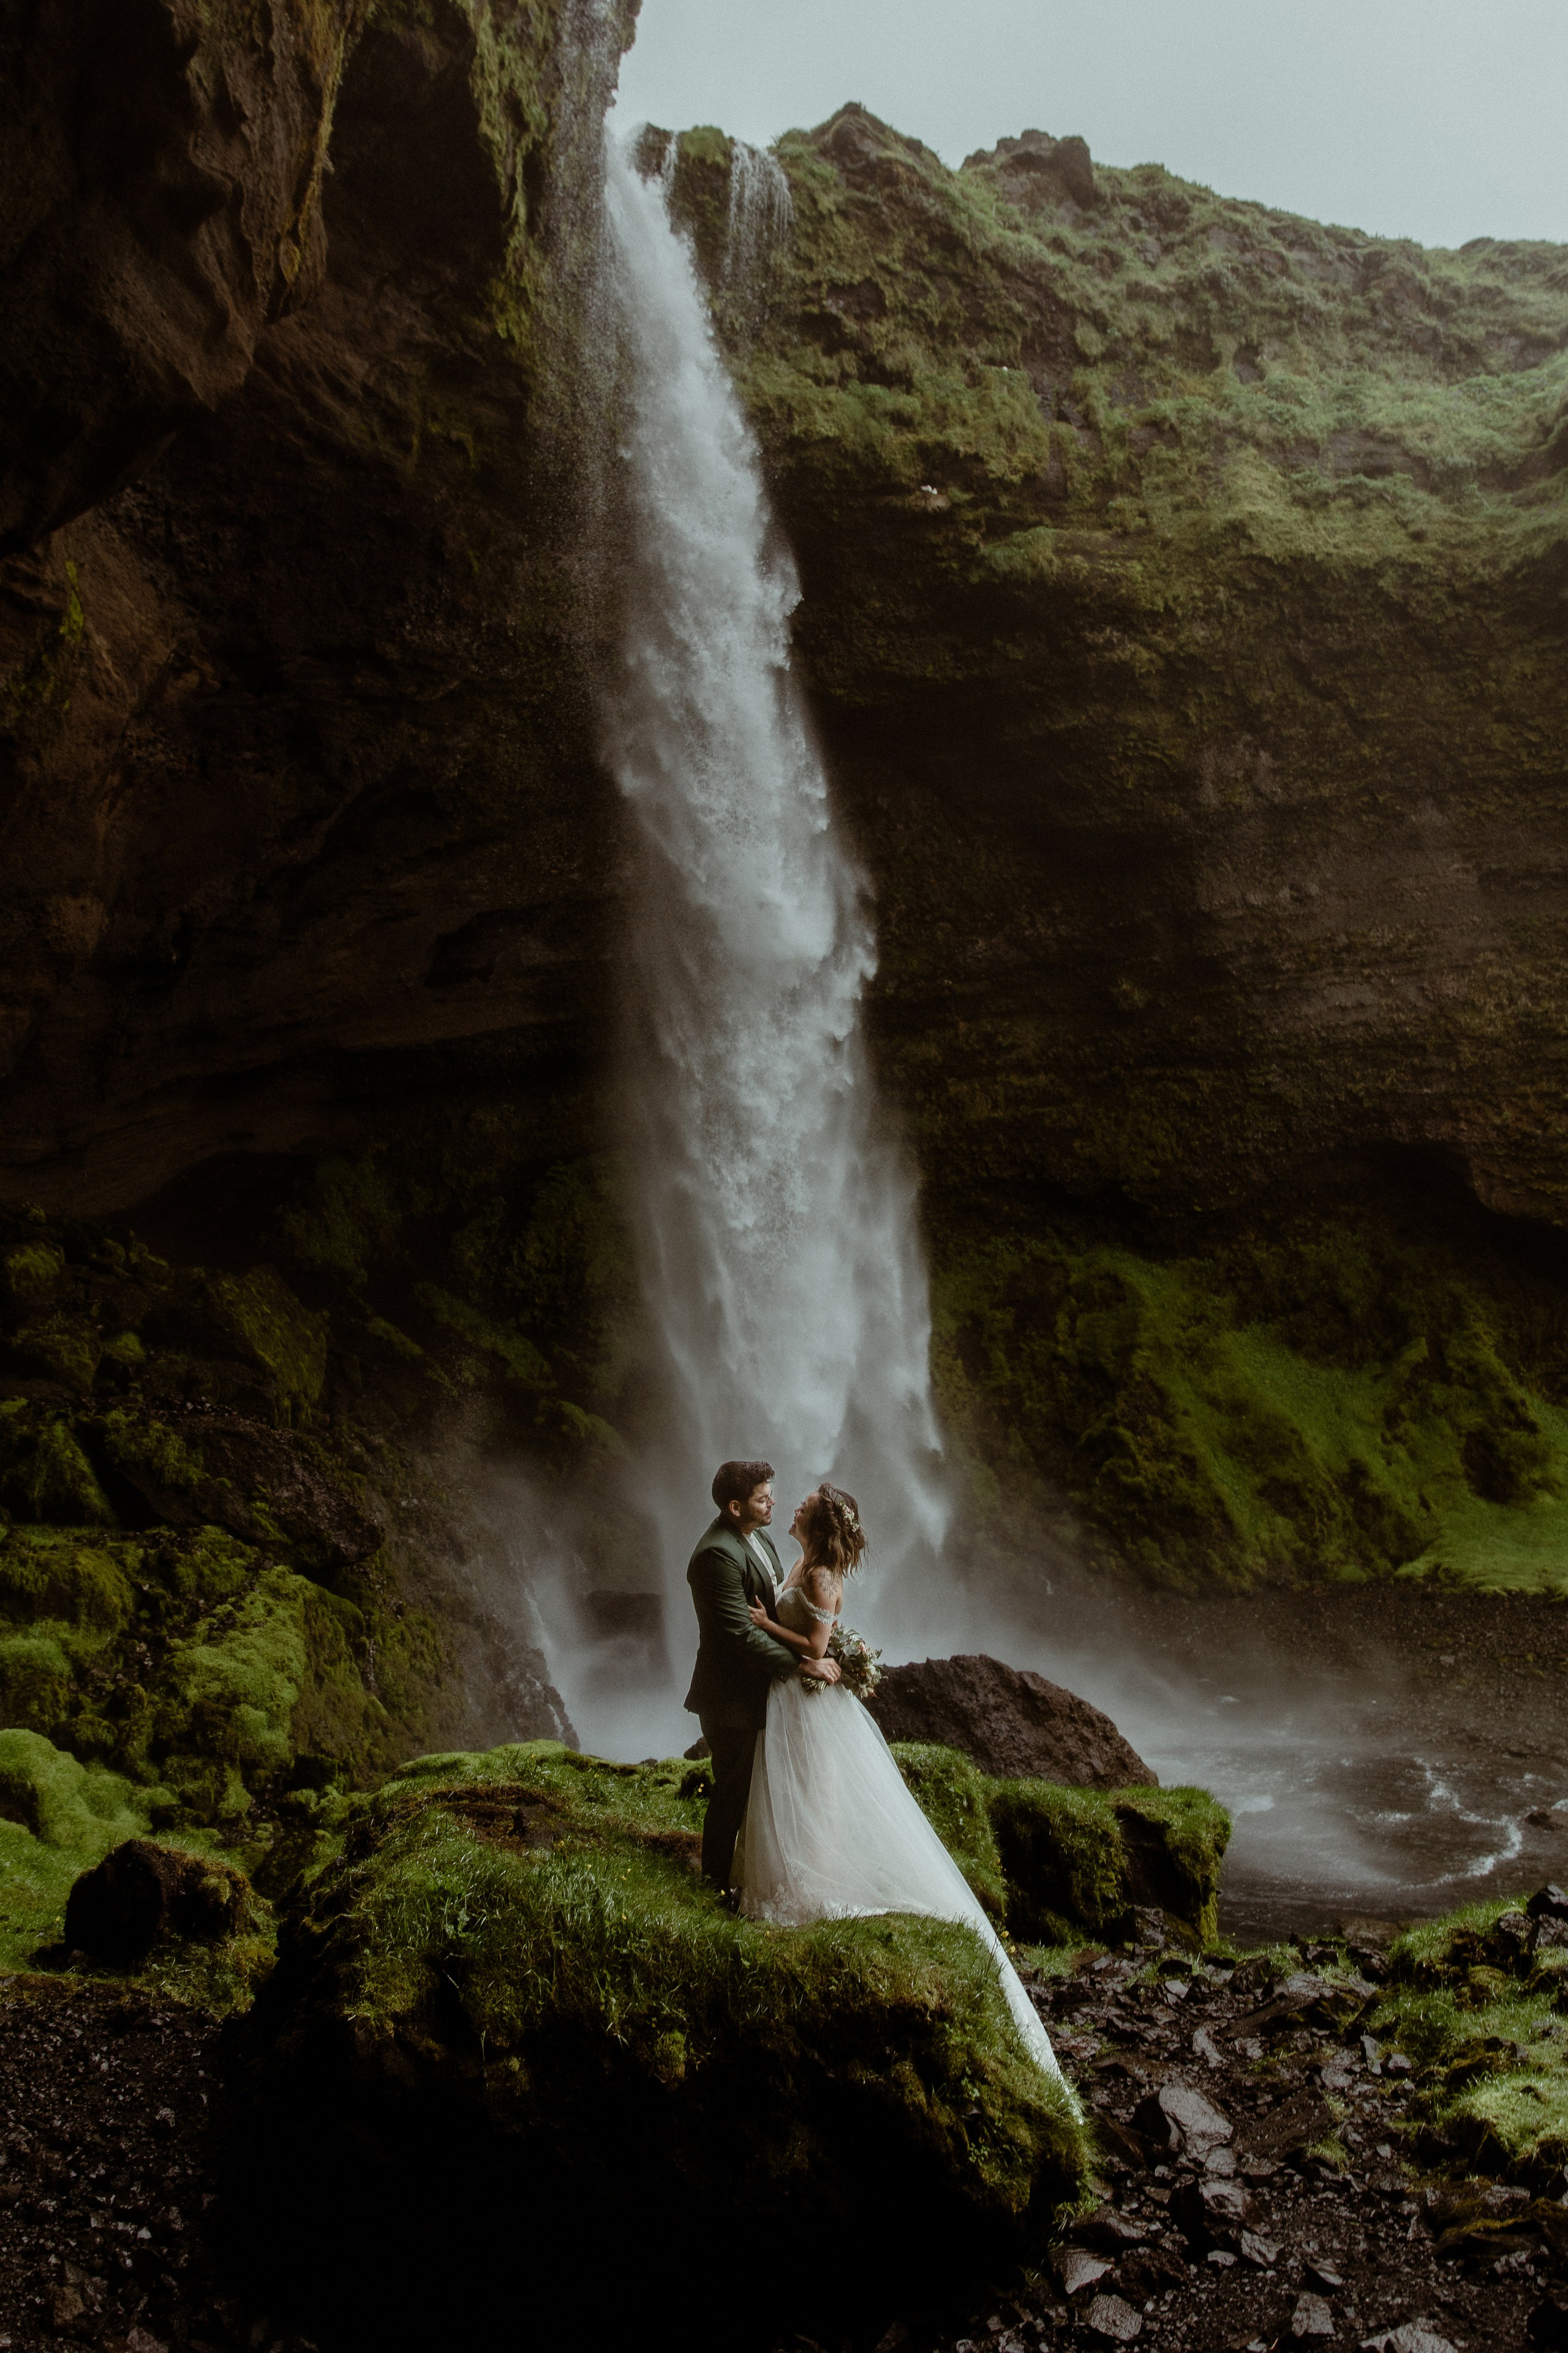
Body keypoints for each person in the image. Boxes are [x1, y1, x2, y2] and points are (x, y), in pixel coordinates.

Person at [734, 1480, 1076, 2098]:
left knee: (810, 1785)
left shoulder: (823, 1577)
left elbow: (815, 1645)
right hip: (791, 1696)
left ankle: (810, 1876)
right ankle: (790, 1872)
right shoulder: (802, 1563)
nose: (793, 1505)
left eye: (804, 1502)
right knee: (793, 1785)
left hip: (807, 1697)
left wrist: (765, 1625)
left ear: (821, 1518)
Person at [684, 1459, 840, 1892]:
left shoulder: (761, 1537)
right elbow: (739, 1634)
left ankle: (755, 1876)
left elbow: (775, 1611)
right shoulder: (717, 1554)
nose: (773, 1500)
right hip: (729, 1697)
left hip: (763, 1691)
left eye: (770, 1492)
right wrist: (803, 1662)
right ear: (735, 1507)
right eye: (761, 1497)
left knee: (760, 1793)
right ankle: (714, 1885)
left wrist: (816, 1640)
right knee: (732, 1792)